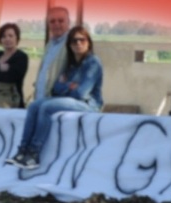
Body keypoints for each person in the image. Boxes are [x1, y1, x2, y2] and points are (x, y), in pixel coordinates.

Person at [7, 25, 103, 170]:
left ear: (88, 42)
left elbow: (81, 93)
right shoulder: (71, 65)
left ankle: (34, 155)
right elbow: (55, 89)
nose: (78, 43)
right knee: (34, 105)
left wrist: (67, 85)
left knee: (46, 107)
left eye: (82, 40)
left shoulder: (93, 63)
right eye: (74, 41)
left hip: (89, 105)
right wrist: (70, 86)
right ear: (69, 45)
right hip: (72, 101)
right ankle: (22, 151)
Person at [31, 6, 70, 103]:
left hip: (59, 101)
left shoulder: (72, 44)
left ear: (68, 23)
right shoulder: (49, 45)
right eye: (52, 21)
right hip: (41, 100)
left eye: (61, 21)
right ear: (48, 24)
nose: (56, 24)